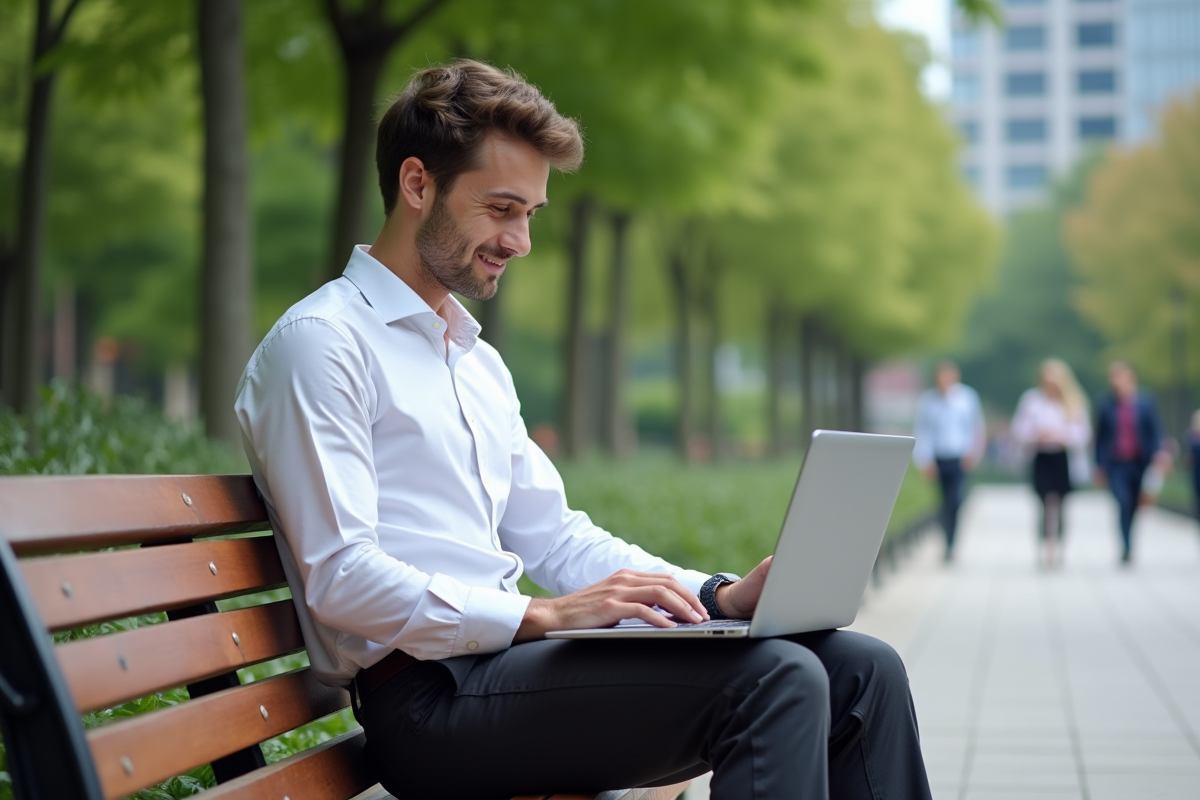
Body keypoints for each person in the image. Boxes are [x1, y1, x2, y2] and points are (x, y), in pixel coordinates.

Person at [233, 60, 931, 800]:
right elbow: (342, 579)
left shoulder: (473, 361)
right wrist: (539, 614)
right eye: (502, 208)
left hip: (506, 676)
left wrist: (714, 598)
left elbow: (557, 536)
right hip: (426, 704)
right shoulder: (323, 344)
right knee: (776, 679)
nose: (520, 240)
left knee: (862, 670)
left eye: (529, 214)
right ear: (416, 185)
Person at [1011, 359, 1091, 569]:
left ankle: (1060, 546)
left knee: (1062, 505)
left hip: (1063, 457)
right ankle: (1045, 546)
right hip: (1041, 457)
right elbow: (1019, 428)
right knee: (1043, 504)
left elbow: (1082, 433)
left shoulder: (1073, 402)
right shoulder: (1031, 400)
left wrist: (1061, 436)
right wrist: (1036, 435)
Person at [912, 361, 986, 561]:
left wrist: (974, 453)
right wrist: (924, 460)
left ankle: (952, 542)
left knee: (955, 500)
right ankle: (946, 539)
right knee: (943, 501)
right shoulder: (928, 402)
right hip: (938, 457)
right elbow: (923, 432)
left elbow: (975, 427)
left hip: (960, 457)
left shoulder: (967, 398)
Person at [1094, 362, 1166, 563]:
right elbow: (1100, 438)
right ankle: (1126, 546)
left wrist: (1159, 454)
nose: (1115, 381)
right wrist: (1099, 465)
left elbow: (1155, 431)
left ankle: (1130, 540)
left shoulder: (1146, 401)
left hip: (1140, 461)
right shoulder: (1106, 404)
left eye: (1119, 376)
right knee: (1123, 501)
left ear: (1131, 377)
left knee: (1134, 504)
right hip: (1116, 463)